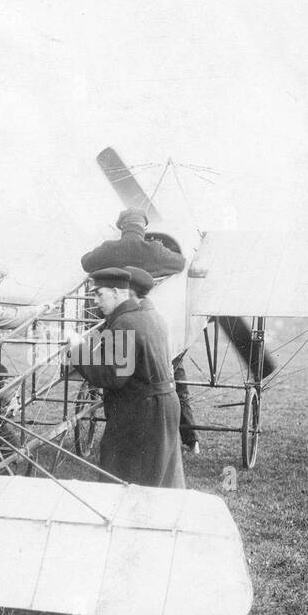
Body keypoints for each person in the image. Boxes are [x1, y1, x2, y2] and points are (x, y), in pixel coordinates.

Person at [69, 267, 184, 488]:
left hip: (142, 413)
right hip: (161, 406)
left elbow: (112, 376)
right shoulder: (151, 315)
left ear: (115, 292)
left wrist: (78, 350)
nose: (95, 301)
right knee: (161, 483)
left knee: (127, 483)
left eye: (98, 294)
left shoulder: (125, 323)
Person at [124, 264, 199, 455]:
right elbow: (179, 261)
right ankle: (190, 440)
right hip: (164, 342)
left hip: (140, 342)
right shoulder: (159, 256)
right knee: (178, 387)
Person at [80, 208, 186, 278]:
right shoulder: (155, 249)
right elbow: (181, 263)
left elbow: (86, 263)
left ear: (122, 227)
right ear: (144, 228)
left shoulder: (108, 248)